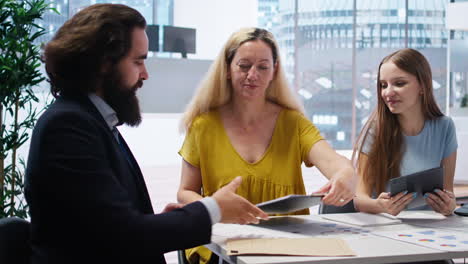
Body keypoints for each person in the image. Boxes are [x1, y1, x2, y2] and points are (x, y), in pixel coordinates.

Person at [24, 4, 268, 264]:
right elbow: (123, 236)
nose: (145, 74)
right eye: (138, 61)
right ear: (104, 63)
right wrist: (213, 209)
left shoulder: (93, 122)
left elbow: (108, 225)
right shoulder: (68, 127)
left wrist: (166, 221)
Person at [177, 27, 356, 263]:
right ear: (228, 69)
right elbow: (184, 192)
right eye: (244, 66)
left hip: (288, 249)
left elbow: (335, 163)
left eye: (263, 67)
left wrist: (346, 175)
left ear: (275, 71)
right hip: (222, 247)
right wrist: (214, 207)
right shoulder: (203, 126)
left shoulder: (294, 123)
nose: (253, 75)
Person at [353, 48, 457, 217]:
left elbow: (448, 192)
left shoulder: (445, 127)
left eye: (399, 83)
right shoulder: (376, 130)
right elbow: (359, 199)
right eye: (383, 85)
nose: (387, 92)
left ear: (422, 86)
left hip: (430, 229)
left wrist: (449, 206)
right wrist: (380, 205)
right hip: (386, 226)